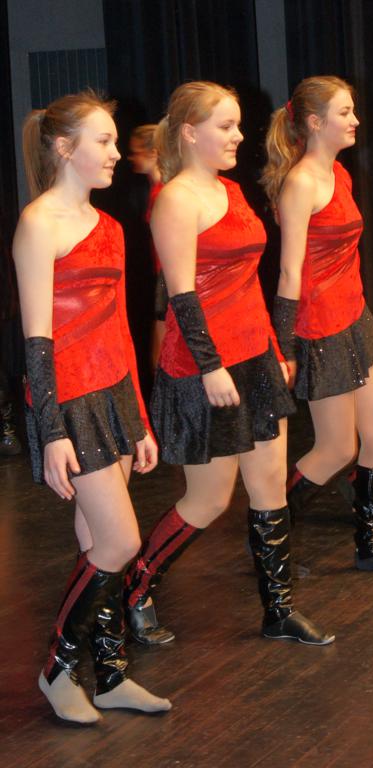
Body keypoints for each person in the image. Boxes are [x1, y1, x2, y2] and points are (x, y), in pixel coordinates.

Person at [124, 81, 334, 647]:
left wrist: (274, 348)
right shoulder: (176, 199)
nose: (239, 135)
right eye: (226, 126)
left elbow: (247, 284)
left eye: (238, 124)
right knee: (209, 499)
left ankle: (279, 611)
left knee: (269, 486)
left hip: (254, 355)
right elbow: (181, 295)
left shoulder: (233, 190)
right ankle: (135, 589)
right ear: (190, 132)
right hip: (204, 367)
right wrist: (211, 365)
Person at [12, 92, 172, 724]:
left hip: (112, 396)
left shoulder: (110, 227)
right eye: (103, 141)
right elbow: (36, 340)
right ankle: (57, 669)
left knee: (98, 543)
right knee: (120, 540)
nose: (115, 152)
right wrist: (50, 430)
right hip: (69, 402)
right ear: (64, 148)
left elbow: (120, 331)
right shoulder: (38, 223)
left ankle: (108, 675)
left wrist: (139, 420)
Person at [261, 75, 373, 574]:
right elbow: (289, 273)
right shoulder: (301, 183)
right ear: (314, 122)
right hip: (319, 326)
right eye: (345, 112)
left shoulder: (339, 174)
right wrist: (285, 346)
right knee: (335, 449)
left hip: (354, 318)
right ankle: (266, 537)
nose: (356, 120)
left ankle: (370, 546)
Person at [127, 124, 166, 368]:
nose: (131, 158)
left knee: (160, 357)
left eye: (136, 152)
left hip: (168, 281)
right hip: (162, 279)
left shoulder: (164, 192)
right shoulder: (155, 190)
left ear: (153, 153)